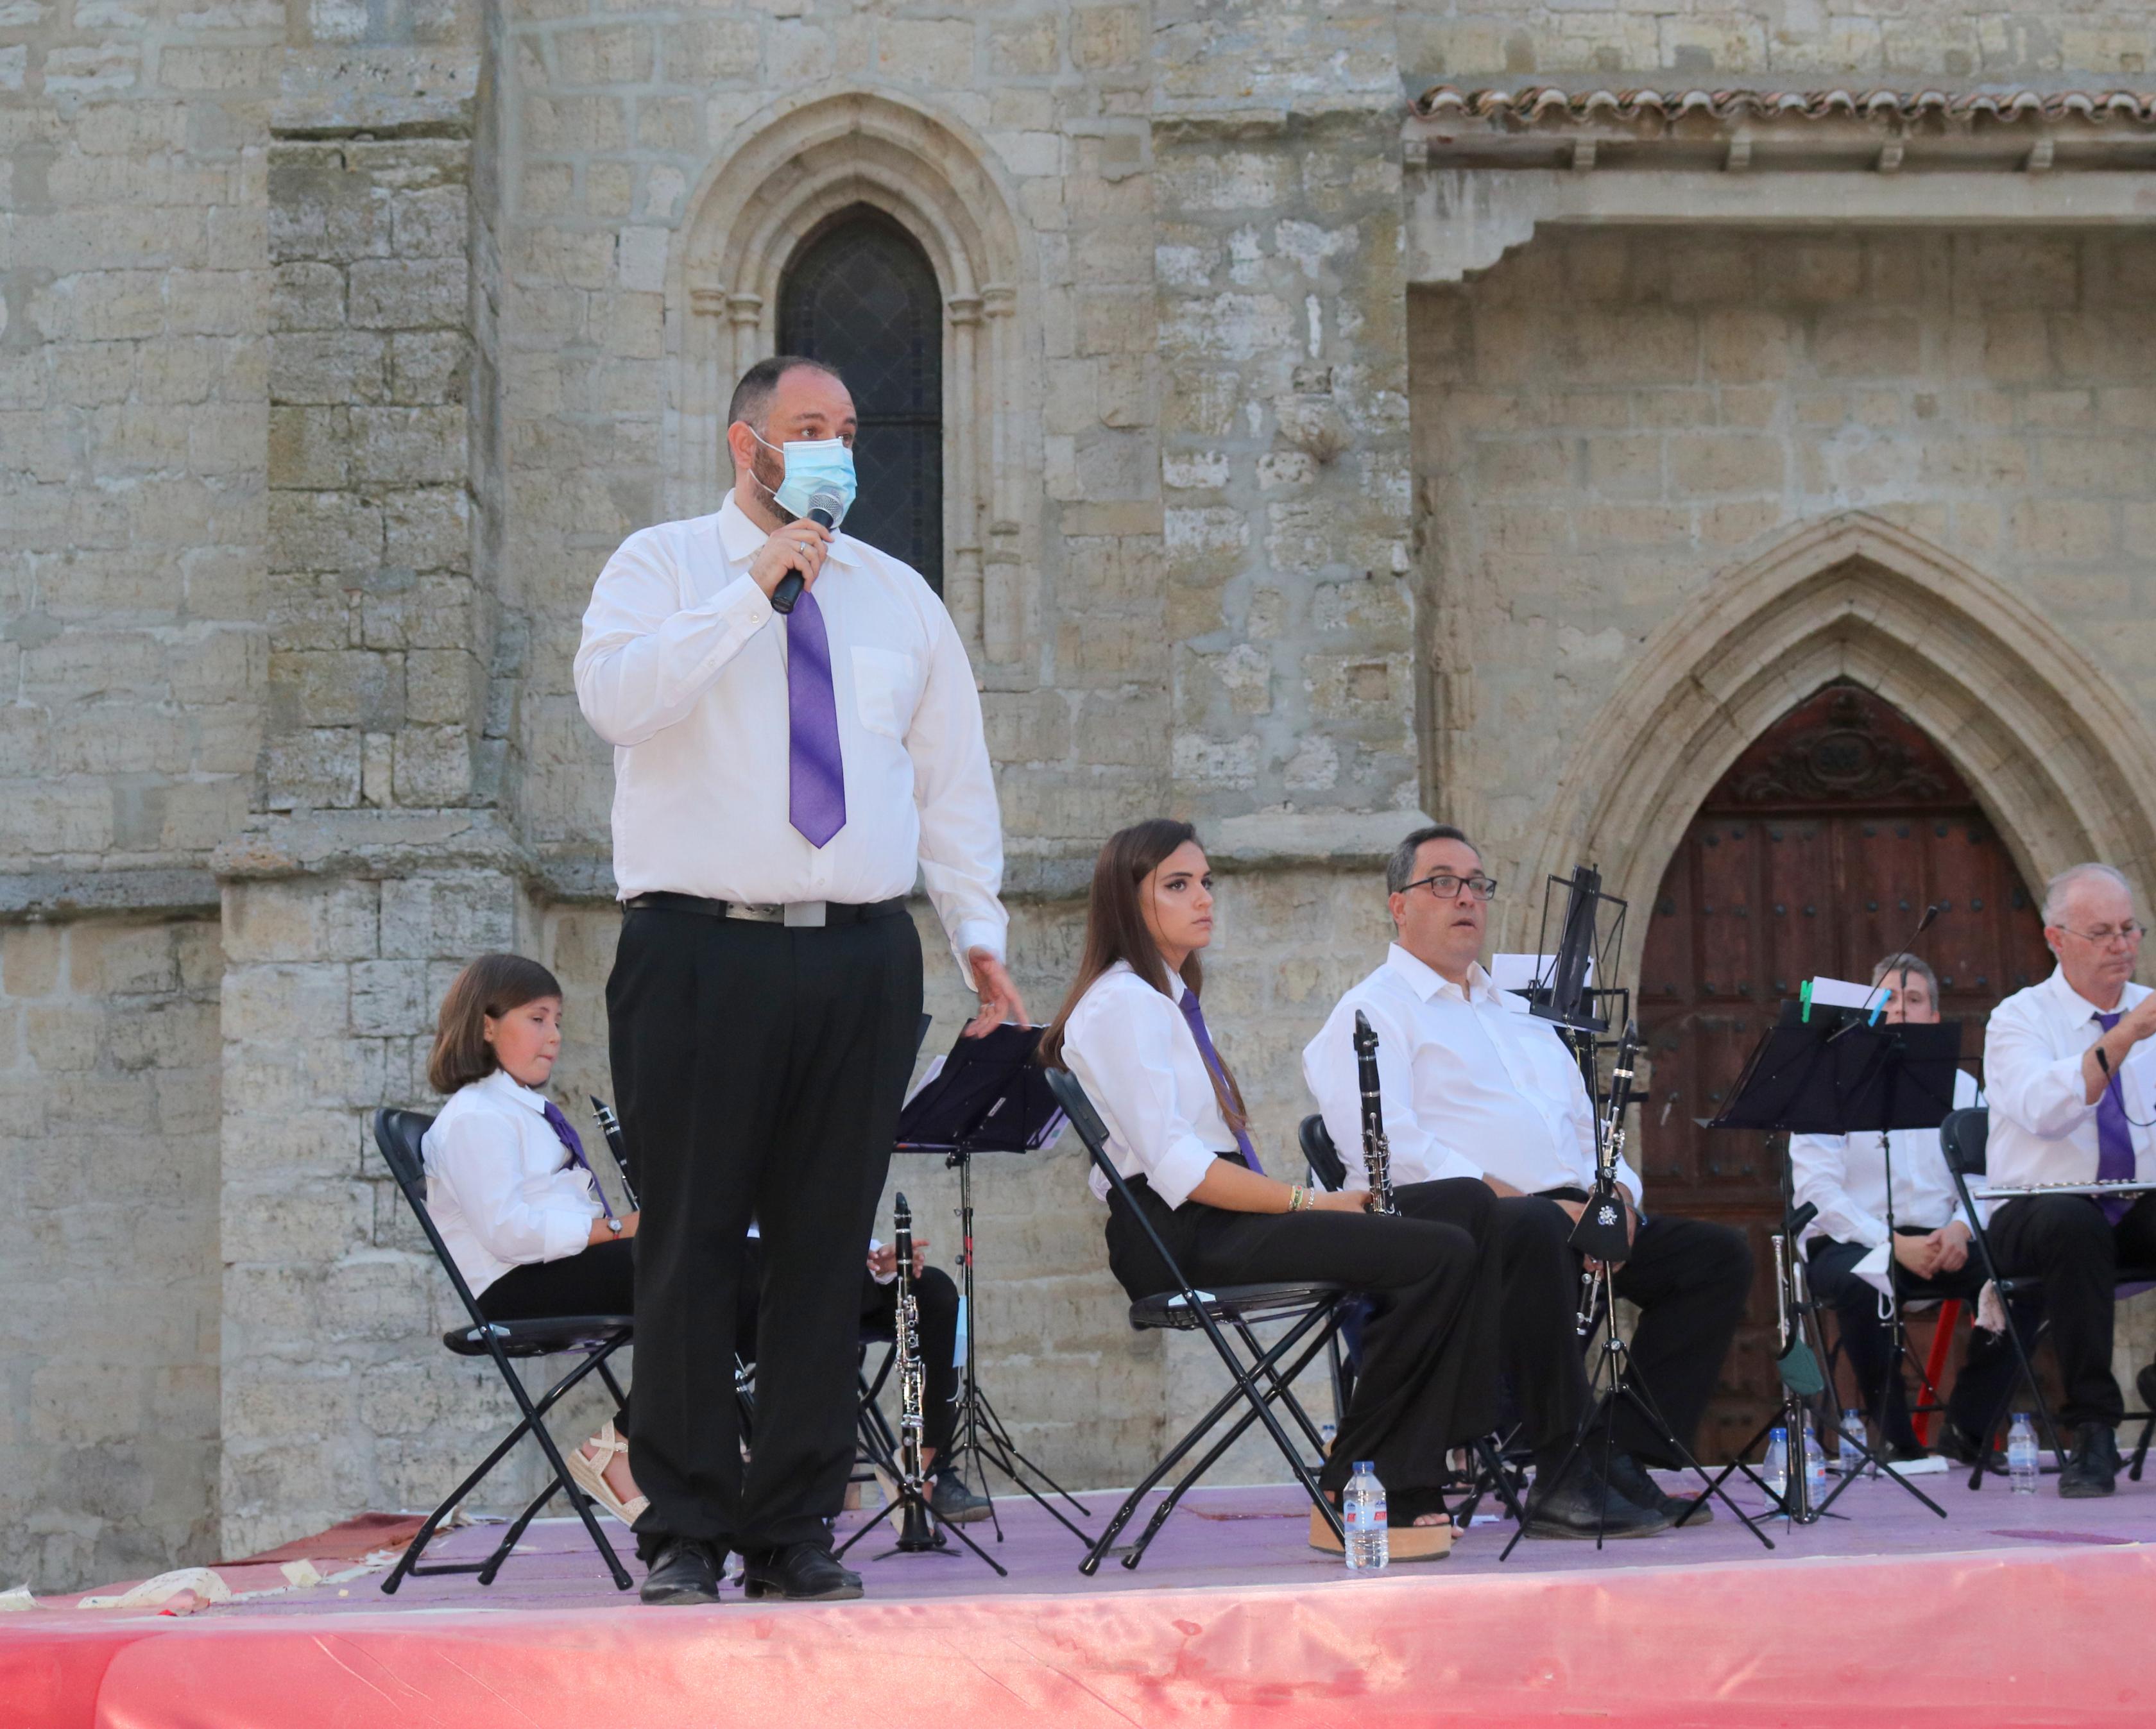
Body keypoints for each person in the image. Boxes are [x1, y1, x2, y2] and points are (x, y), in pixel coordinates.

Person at [574, 355, 1022, 1605]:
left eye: (846, 430)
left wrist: (974, 932)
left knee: (831, 1251)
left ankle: (792, 1531)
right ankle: (682, 1530)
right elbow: (612, 699)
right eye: (806, 428)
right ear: (746, 445)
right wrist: (750, 590)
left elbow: (949, 783)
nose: (833, 449)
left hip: (858, 952)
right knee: (694, 1242)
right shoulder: (661, 565)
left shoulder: (900, 600)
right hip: (697, 946)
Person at [1047, 819, 1501, 1562]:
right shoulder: (1120, 1004)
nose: (1203, 899)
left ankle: (1421, 1451)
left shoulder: (1166, 996)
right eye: (1177, 885)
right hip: (1178, 1233)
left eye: (1206, 883)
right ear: (1126, 902)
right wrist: (1312, 1201)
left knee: (1466, 1204)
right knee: (1436, 1252)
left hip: (1215, 1216)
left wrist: (1305, 1203)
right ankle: (1362, 1480)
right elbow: (1180, 1168)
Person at [419, 955, 988, 1534]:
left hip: (568, 1262)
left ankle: (915, 1466)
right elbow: (508, 1233)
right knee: (718, 1270)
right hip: (520, 1286)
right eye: (538, 1018)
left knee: (917, 1289)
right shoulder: (474, 1117)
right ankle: (634, 1447)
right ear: (486, 1024)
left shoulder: (523, 1109)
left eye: (558, 1019)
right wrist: (625, 1228)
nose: (555, 1035)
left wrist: (858, 1258)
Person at [1304, 825, 1750, 1529]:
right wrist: (1523, 1200)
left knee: (1713, 1256)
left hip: (1567, 1214)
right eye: (1442, 882)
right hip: (1453, 1225)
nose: (1465, 898)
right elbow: (1387, 1146)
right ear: (1398, 904)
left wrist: (1619, 1195)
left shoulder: (1523, 1019)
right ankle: (1559, 1471)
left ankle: (1617, 1453)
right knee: (1538, 1225)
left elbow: (1583, 1130)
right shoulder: (1371, 1010)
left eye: (1477, 884)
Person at [1980, 863, 2156, 1497]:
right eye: (2101, 932)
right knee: (2071, 1221)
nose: (2120, 945)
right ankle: (2090, 1425)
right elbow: (2044, 1112)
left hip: (2129, 1207)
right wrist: (2126, 1034)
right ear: (2055, 939)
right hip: (2033, 1210)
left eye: (2129, 929)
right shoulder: (2017, 1018)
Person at [1789, 951, 2017, 1464]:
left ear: (1933, 1017)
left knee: (2024, 1278)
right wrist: (1890, 1244)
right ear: (1869, 1013)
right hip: (1851, 1239)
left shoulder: (1962, 1088)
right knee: (1858, 1279)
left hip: (1946, 1240)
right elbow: (1818, 1193)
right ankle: (1897, 1440)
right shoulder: (1831, 1085)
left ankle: (1968, 1426)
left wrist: (1960, 1229)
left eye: (1912, 1000)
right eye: (1887, 1000)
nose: (1898, 1011)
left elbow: (1989, 1177)